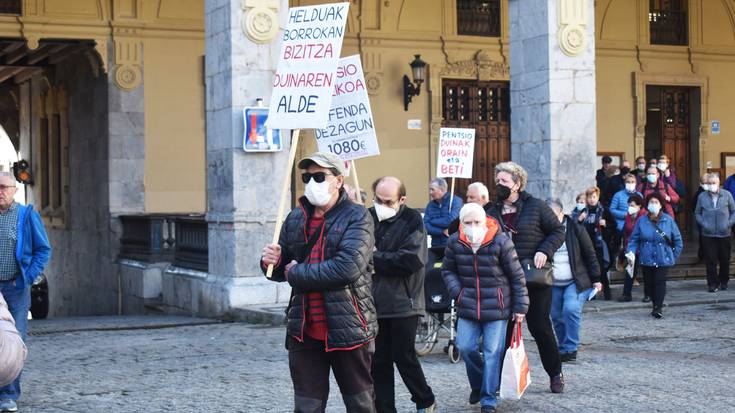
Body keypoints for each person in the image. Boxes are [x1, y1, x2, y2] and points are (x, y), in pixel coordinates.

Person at [260, 152, 377, 412]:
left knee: (360, 403)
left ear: (338, 181)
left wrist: (295, 272)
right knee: (306, 405)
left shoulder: (358, 216)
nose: (312, 182)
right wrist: (273, 261)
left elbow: (346, 268)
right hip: (304, 328)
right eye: (307, 177)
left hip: (348, 325)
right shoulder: (295, 217)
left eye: (319, 176)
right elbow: (282, 267)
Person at [484, 162, 566, 393]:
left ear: (517, 184)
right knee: (505, 331)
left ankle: (555, 373)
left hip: (534, 277)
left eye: (504, 181)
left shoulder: (536, 206)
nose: (499, 185)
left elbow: (558, 231)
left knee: (540, 327)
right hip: (502, 279)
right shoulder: (491, 210)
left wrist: (544, 250)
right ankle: (503, 380)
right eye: (497, 181)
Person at [441, 203, 528, 413]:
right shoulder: (455, 242)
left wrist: (521, 307)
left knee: (492, 352)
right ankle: (479, 385)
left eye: (476, 222)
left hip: (497, 307)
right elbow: (447, 271)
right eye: (467, 222)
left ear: (484, 221)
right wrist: (459, 293)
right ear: (461, 223)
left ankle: (488, 398)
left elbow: (517, 276)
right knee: (466, 347)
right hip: (468, 305)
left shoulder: (501, 241)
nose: (472, 226)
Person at [369, 177, 436, 413]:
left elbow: (411, 260)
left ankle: (424, 399)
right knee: (378, 361)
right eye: (378, 199)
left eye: (388, 201)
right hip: (372, 302)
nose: (382, 204)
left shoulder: (412, 219)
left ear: (402, 200)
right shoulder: (367, 217)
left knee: (404, 356)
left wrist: (375, 258)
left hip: (404, 302)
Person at [0, 172, 51, 412]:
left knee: (14, 341)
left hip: (15, 288)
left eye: (3, 187)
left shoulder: (26, 215)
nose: (0, 192)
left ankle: (9, 395)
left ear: (14, 189)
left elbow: (43, 249)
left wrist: (28, 277)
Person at [546, 199, 601, 363]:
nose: (550, 220)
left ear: (562, 214)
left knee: (570, 309)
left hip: (575, 280)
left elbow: (590, 254)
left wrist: (596, 278)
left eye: (553, 216)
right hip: (553, 281)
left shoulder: (576, 229)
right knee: (555, 315)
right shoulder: (542, 231)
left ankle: (571, 348)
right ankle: (563, 348)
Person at [626, 193, 683, 318]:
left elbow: (678, 241)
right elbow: (633, 239)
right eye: (651, 202)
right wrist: (631, 252)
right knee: (649, 284)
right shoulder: (642, 221)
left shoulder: (668, 220)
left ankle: (658, 307)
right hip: (646, 258)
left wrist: (672, 256)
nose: (653, 205)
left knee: (659, 282)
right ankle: (654, 303)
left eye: (656, 202)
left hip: (663, 258)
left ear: (661, 205)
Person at [695, 173, 735, 292]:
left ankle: (724, 282)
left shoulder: (727, 195)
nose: (711, 185)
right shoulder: (702, 196)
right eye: (709, 183)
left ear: (719, 183)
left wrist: (728, 224)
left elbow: (734, 211)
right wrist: (704, 224)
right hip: (708, 234)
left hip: (724, 233)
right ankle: (712, 283)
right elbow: (697, 213)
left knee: (724, 259)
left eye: (714, 183)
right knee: (710, 260)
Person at [575, 187, 611, 300]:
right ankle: (591, 294)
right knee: (588, 269)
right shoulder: (583, 211)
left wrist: (606, 224)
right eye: (589, 197)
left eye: (594, 197)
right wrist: (579, 220)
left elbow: (613, 226)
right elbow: (574, 227)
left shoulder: (603, 210)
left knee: (601, 270)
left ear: (598, 197)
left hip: (599, 244)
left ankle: (607, 293)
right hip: (585, 244)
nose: (592, 199)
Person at [617, 194, 647, 302]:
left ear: (639, 206)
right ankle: (626, 294)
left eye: (633, 205)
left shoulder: (644, 217)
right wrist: (625, 246)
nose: (630, 207)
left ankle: (648, 295)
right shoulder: (629, 215)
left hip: (643, 248)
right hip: (631, 248)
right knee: (629, 271)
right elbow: (626, 231)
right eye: (629, 205)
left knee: (646, 272)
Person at [423, 178, 462, 248]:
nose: (430, 192)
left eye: (432, 189)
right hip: (435, 246)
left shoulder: (455, 201)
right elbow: (424, 226)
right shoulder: (430, 205)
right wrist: (442, 231)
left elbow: (451, 221)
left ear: (442, 189)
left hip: (452, 246)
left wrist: (432, 221)